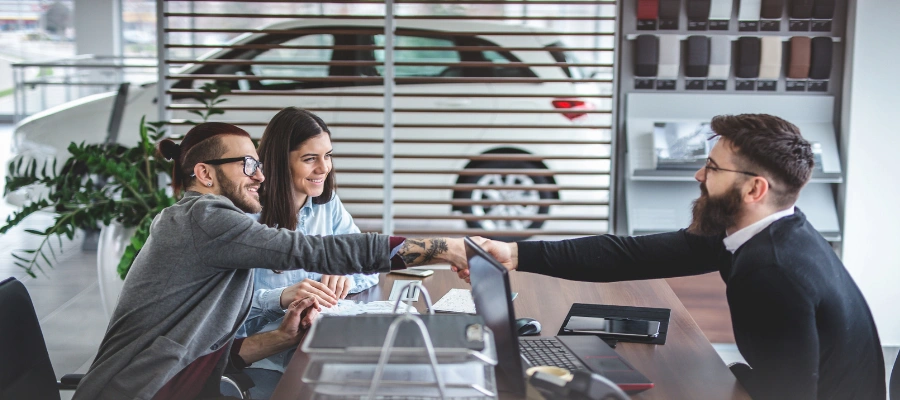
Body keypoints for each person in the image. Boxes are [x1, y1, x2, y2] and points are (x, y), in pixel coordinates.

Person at [455, 114, 885, 399]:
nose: (699, 175)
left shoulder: (771, 269)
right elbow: (631, 255)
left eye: (713, 169)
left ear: (755, 190)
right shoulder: (765, 230)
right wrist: (514, 253)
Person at [73, 122, 466, 400]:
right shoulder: (205, 219)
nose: (260, 176)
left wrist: (281, 337)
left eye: (257, 164)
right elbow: (321, 251)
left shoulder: (203, 223)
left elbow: (205, 348)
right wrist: (442, 247)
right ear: (205, 173)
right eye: (247, 165)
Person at [235, 108, 378, 396]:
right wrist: (282, 297)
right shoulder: (245, 217)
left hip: (319, 346)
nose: (324, 168)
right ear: (278, 162)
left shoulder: (327, 205)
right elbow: (225, 309)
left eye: (327, 155)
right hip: (264, 360)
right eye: (310, 158)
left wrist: (343, 272)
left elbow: (368, 262)